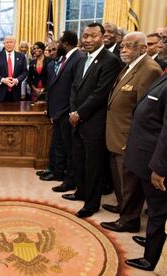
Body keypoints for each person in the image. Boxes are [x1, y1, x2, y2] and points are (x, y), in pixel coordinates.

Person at [100, 32, 162, 231]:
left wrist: (131, 138)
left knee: (129, 182)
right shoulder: (129, 65)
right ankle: (123, 208)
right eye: (122, 46)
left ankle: (129, 220)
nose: (124, 50)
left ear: (143, 48)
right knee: (121, 179)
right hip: (116, 133)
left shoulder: (149, 70)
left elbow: (144, 111)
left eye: (130, 46)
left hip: (129, 137)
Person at [62, 23, 122, 218]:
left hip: (93, 122)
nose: (87, 40)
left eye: (92, 36)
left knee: (93, 165)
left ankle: (92, 203)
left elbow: (100, 93)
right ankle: (81, 192)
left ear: (102, 37)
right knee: (79, 160)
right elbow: (74, 88)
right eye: (85, 36)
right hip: (77, 119)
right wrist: (73, 111)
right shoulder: (82, 59)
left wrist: (79, 113)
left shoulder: (110, 60)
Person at [123, 73, 167, 271]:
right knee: (152, 206)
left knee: (158, 211)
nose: (160, 44)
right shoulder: (164, 75)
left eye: (164, 40)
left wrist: (160, 167)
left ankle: (151, 258)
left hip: (156, 163)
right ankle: (152, 240)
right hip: (144, 155)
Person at [46, 31, 84, 192]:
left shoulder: (79, 58)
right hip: (59, 111)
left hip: (67, 112)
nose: (57, 45)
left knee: (70, 149)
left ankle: (70, 181)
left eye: (60, 42)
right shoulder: (68, 58)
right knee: (60, 145)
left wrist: (71, 111)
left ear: (66, 43)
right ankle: (58, 173)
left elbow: (76, 89)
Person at [0, 35, 27, 102]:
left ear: (15, 43)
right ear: (4, 44)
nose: (9, 44)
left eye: (11, 42)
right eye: (7, 42)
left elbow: (24, 72)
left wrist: (17, 80)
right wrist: (3, 80)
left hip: (15, 93)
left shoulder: (21, 56)